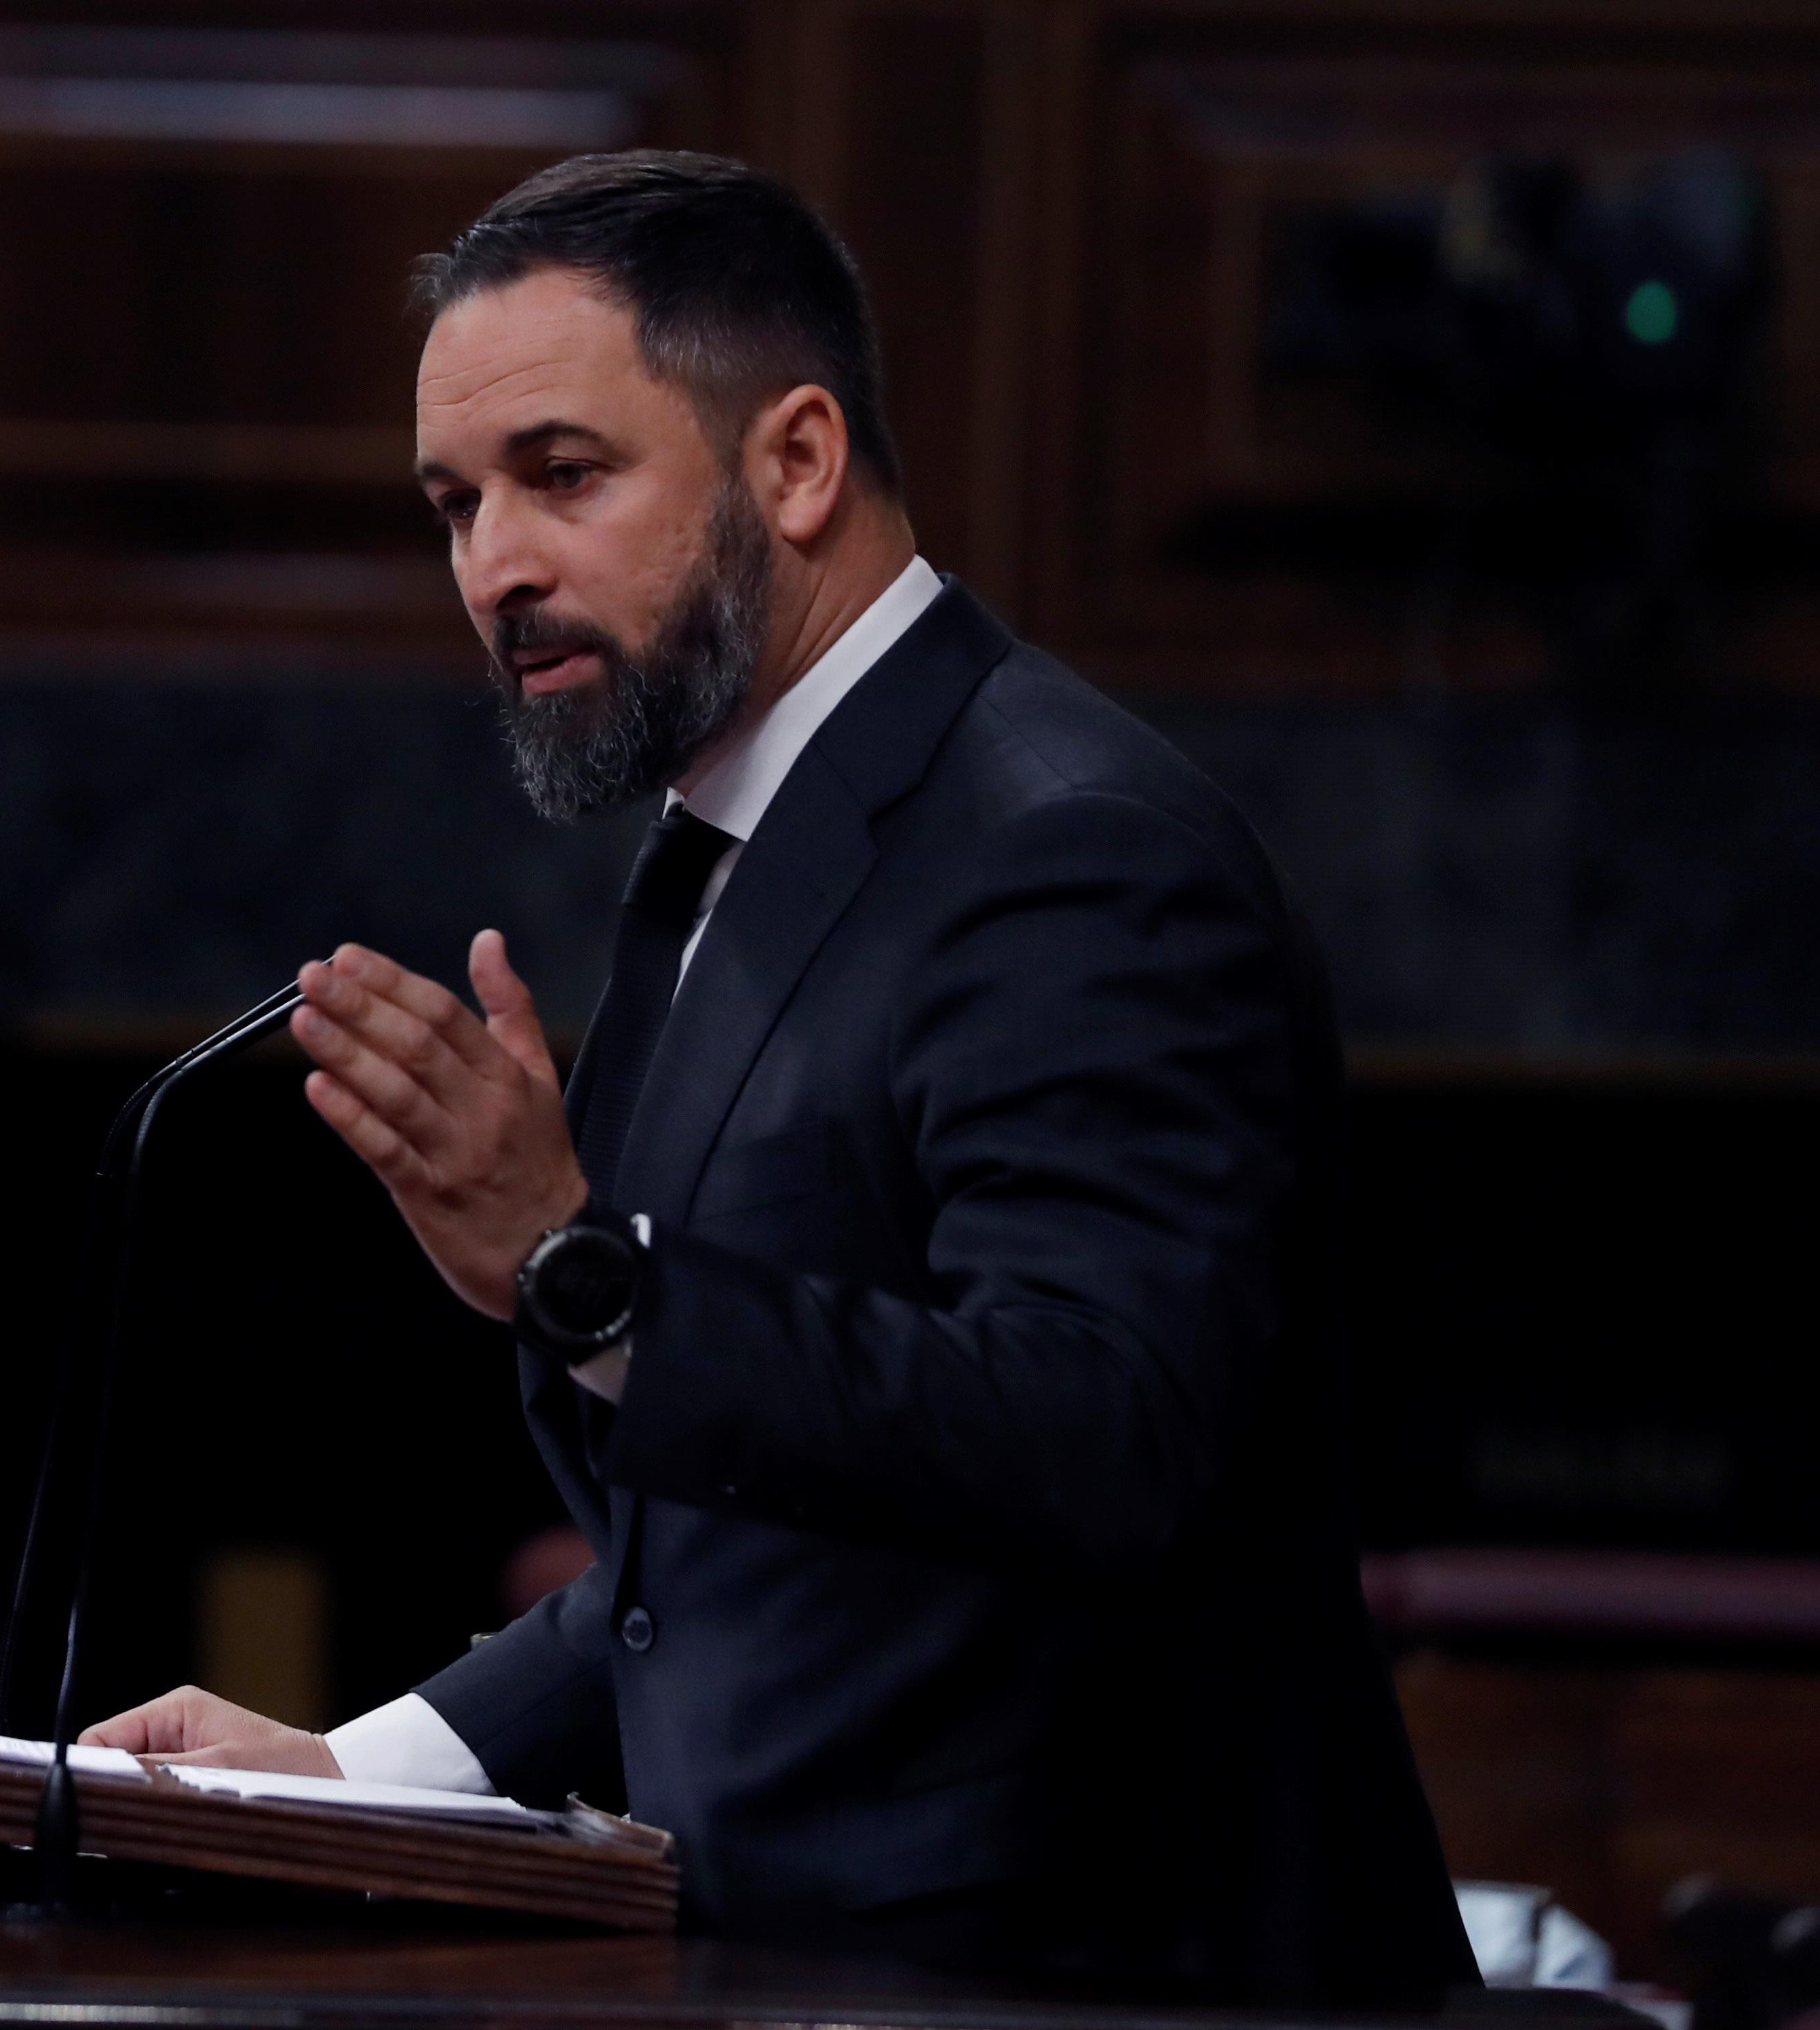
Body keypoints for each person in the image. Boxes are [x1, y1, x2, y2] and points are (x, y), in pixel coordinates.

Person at [81, 151, 1474, 2004]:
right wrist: (360, 1775)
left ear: (796, 463)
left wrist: (581, 1272)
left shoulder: (1069, 847)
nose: (493, 565)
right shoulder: (731, 845)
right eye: (454, 504)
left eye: (562, 476)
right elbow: (746, 1563)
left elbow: (1110, 1439)